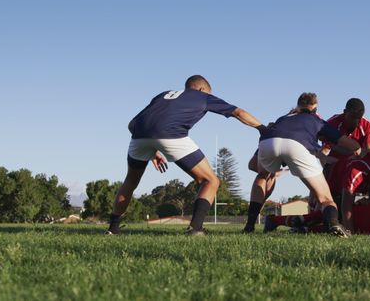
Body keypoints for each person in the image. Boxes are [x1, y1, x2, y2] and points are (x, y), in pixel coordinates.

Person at [106, 75, 264, 235]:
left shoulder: (163, 95)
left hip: (138, 136)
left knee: (130, 181)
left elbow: (131, 124)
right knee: (210, 180)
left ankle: (113, 228)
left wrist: (152, 150)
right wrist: (262, 128)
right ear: (202, 89)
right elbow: (238, 112)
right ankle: (195, 228)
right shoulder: (203, 97)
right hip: (171, 134)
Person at [245, 92, 360, 237]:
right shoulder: (316, 120)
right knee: (325, 198)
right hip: (298, 146)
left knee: (263, 176)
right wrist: (356, 148)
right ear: (314, 109)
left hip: (268, 141)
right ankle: (334, 224)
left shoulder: (282, 119)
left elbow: (252, 165)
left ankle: (249, 225)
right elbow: (351, 145)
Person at [323, 98, 370, 196]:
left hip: (364, 165)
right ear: (345, 112)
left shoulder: (368, 126)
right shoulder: (332, 124)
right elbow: (325, 149)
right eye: (353, 117)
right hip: (338, 165)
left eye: (359, 118)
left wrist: (351, 156)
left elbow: (368, 152)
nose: (356, 121)